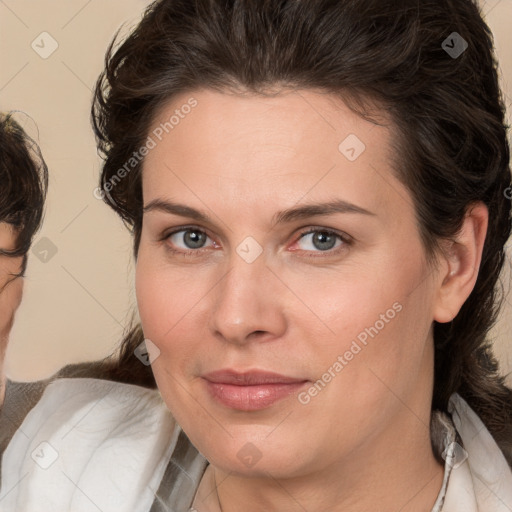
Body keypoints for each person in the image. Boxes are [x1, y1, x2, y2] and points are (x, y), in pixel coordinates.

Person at [1, 0, 512, 510]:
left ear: (455, 261)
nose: (237, 317)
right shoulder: (42, 463)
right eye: (191, 237)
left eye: (320, 239)